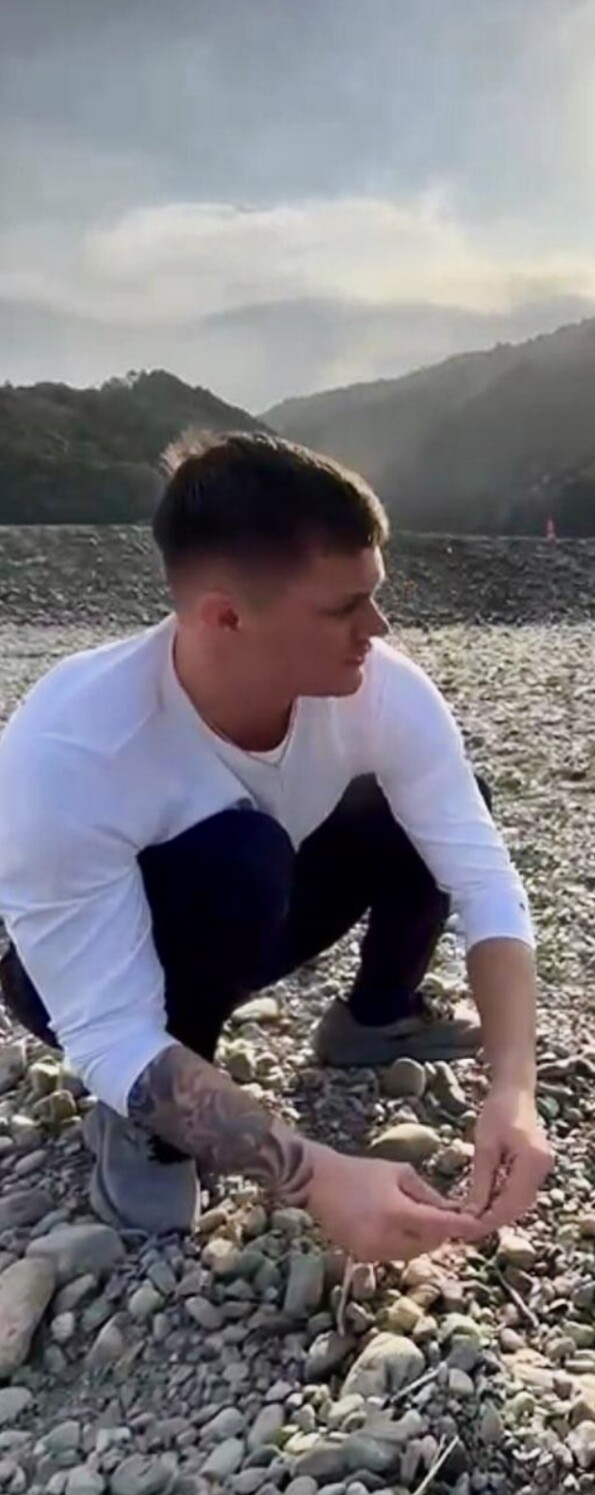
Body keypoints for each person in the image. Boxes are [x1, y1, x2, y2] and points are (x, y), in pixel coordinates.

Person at [0, 432, 552, 1260]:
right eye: (343, 608)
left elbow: (482, 876)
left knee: (436, 808)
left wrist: (514, 1089)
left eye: (374, 594)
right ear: (225, 615)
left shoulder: (380, 687)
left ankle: (375, 1017)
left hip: (254, 901)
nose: (379, 626)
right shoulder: (76, 747)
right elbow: (106, 1031)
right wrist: (318, 1176)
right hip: (67, 978)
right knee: (239, 852)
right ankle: (152, 1126)